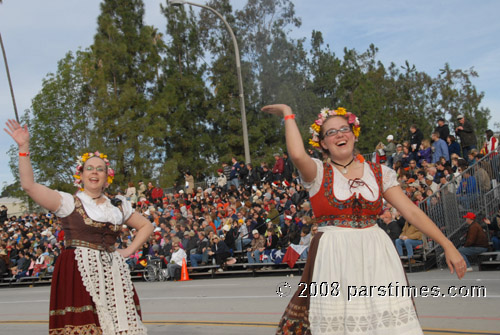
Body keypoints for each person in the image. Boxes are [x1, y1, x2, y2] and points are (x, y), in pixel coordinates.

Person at [261, 105, 465, 335]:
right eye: (331, 132)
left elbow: (412, 211)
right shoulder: (317, 172)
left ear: (353, 133)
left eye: (344, 129)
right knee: (339, 323)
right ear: (323, 143)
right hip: (334, 254)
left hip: (376, 252)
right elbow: (297, 154)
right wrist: (288, 114)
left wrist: (448, 245)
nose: (339, 134)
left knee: (386, 323)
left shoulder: (379, 172)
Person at [4, 119, 152, 334]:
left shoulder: (118, 205)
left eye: (99, 169)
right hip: (78, 271)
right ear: (80, 176)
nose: (94, 172)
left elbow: (146, 226)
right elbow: (29, 185)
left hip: (112, 270)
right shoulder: (67, 202)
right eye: (89, 168)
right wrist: (23, 148)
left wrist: (129, 250)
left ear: (106, 178)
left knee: (122, 324)